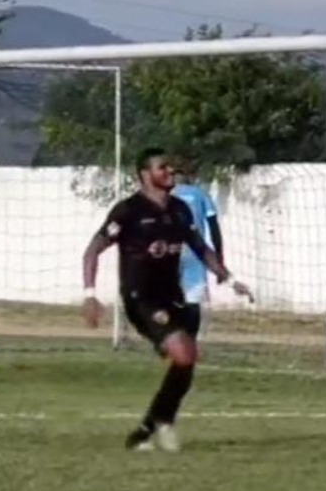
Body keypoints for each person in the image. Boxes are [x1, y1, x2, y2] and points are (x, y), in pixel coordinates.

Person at [82, 148, 251, 453]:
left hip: (175, 295)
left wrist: (228, 278)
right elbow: (92, 250)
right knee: (184, 354)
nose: (170, 171)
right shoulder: (128, 211)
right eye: (162, 168)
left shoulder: (179, 210)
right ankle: (160, 423)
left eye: (170, 167)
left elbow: (201, 248)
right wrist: (89, 295)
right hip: (141, 299)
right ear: (145, 175)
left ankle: (150, 427)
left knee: (186, 361)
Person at [172, 169, 224, 335]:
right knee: (193, 298)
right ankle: (190, 338)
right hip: (194, 251)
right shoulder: (201, 194)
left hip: (170, 250)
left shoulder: (167, 194)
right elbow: (214, 226)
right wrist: (219, 257)